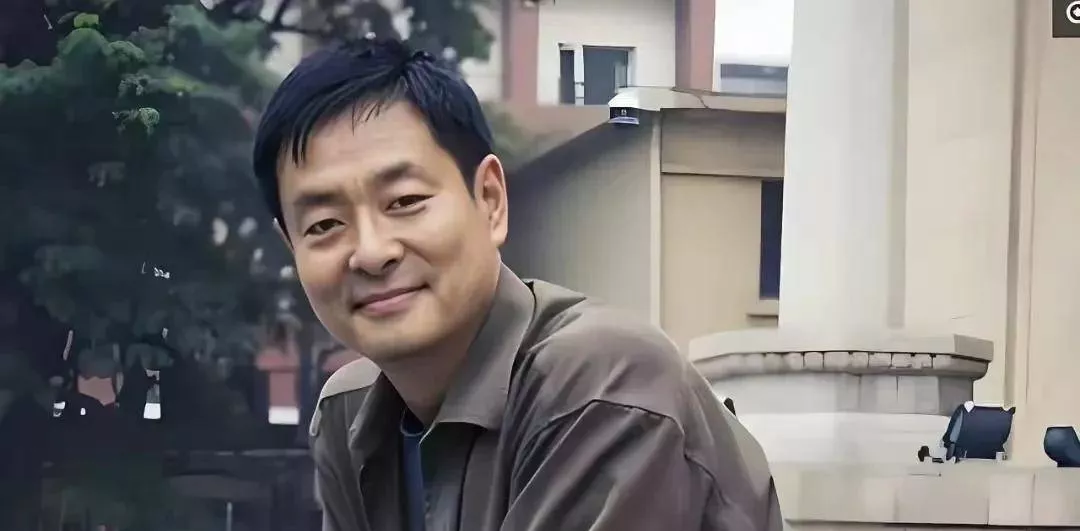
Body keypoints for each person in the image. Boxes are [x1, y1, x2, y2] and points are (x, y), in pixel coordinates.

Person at [252, 37, 783, 531]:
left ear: (489, 200)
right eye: (324, 225)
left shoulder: (604, 385)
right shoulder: (347, 413)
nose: (371, 252)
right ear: (291, 247)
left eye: (405, 201)